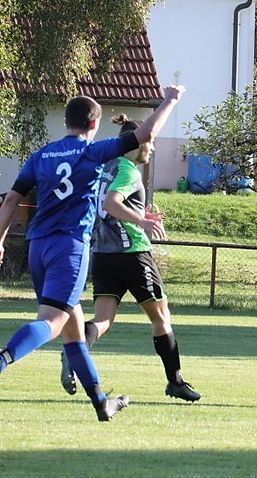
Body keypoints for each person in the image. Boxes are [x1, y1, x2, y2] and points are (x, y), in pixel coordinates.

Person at [0, 85, 185, 421]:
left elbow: (11, 199)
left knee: (72, 330)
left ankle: (102, 403)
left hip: (37, 246)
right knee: (52, 322)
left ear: (67, 121)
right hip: (69, 248)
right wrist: (170, 100)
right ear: (94, 124)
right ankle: (3, 359)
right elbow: (145, 133)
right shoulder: (93, 152)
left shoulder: (41, 155)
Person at [58, 114, 201, 402]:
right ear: (137, 143)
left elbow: (106, 204)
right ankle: (175, 382)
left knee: (103, 320)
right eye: (151, 142)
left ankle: (74, 352)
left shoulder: (107, 165)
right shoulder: (128, 170)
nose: (153, 148)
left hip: (103, 253)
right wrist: (142, 222)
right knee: (161, 317)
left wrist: (138, 212)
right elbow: (112, 203)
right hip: (132, 254)